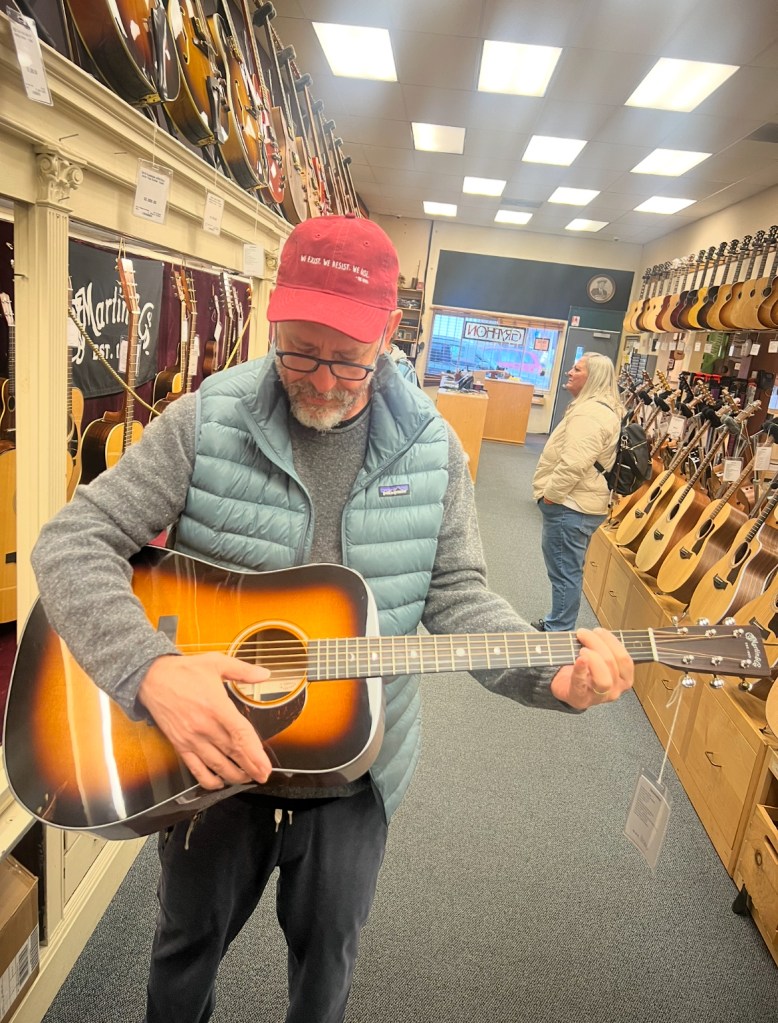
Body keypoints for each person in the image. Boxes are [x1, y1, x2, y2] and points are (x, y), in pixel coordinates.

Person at [31, 215, 634, 1023]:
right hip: (209, 764)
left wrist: (548, 670)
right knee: (181, 957)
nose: (319, 380)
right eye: (298, 351)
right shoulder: (207, 419)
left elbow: (459, 596)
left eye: (346, 358)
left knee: (326, 972)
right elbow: (70, 543)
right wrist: (150, 670)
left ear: (388, 332)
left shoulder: (433, 449)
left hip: (357, 770)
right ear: (274, 321)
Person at [531, 352, 622, 632]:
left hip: (570, 505)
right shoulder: (597, 409)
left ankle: (559, 630)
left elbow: (573, 464)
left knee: (564, 572)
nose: (569, 372)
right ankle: (558, 623)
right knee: (568, 570)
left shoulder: (590, 413)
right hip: (579, 503)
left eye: (577, 369)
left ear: (593, 378)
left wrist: (550, 496)